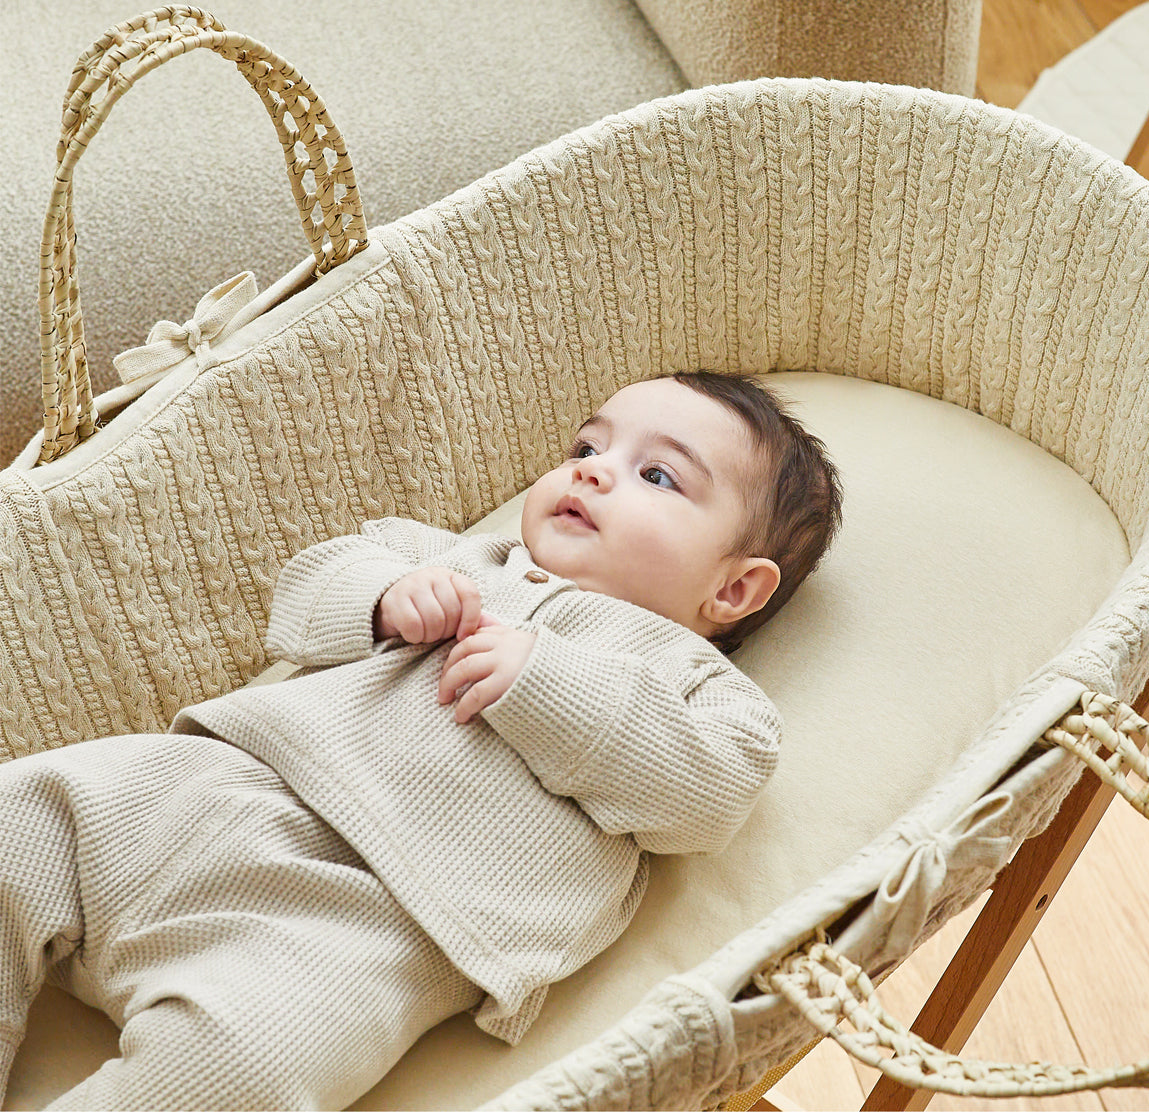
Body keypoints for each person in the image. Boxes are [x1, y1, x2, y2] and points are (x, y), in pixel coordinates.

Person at [0, 371, 842, 1111]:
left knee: (242, 1069)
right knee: (21, 817)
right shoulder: (448, 558)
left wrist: (548, 684)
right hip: (212, 790)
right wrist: (384, 597)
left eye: (657, 475)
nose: (591, 470)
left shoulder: (699, 688)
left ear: (735, 589)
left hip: (369, 924)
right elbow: (304, 589)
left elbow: (706, 795)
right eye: (588, 446)